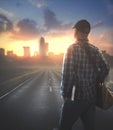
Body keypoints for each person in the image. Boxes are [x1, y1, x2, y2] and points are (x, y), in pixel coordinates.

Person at [58, 19, 110, 130]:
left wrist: (65, 94)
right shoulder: (95, 50)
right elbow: (106, 68)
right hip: (91, 98)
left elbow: (67, 74)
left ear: (76, 32)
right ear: (87, 33)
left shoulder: (71, 49)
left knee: (64, 127)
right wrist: (96, 80)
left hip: (75, 98)